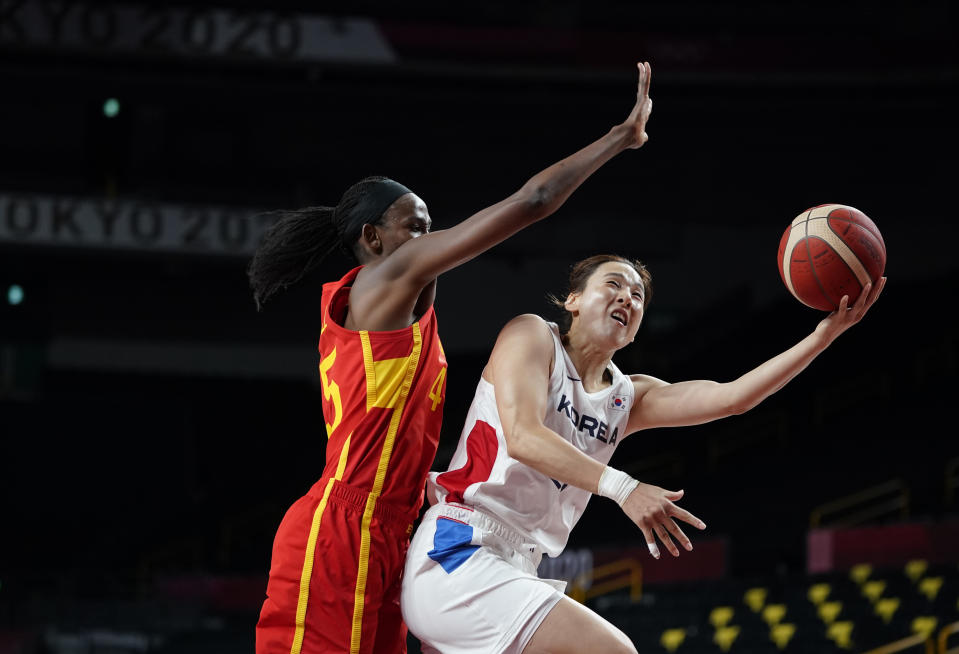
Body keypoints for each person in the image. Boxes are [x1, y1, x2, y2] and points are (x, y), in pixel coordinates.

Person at [248, 63, 656, 654]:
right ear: (374, 239)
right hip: (345, 525)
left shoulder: (409, 314)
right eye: (416, 228)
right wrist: (620, 137)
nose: (430, 240)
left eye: (432, 227)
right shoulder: (381, 279)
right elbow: (535, 200)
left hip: (396, 529)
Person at [401, 254, 886, 654]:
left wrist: (825, 335)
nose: (627, 298)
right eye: (613, 284)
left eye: (637, 297)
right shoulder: (532, 336)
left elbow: (734, 397)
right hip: (460, 548)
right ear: (573, 300)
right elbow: (524, 435)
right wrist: (624, 488)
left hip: (518, 566)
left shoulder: (627, 397)